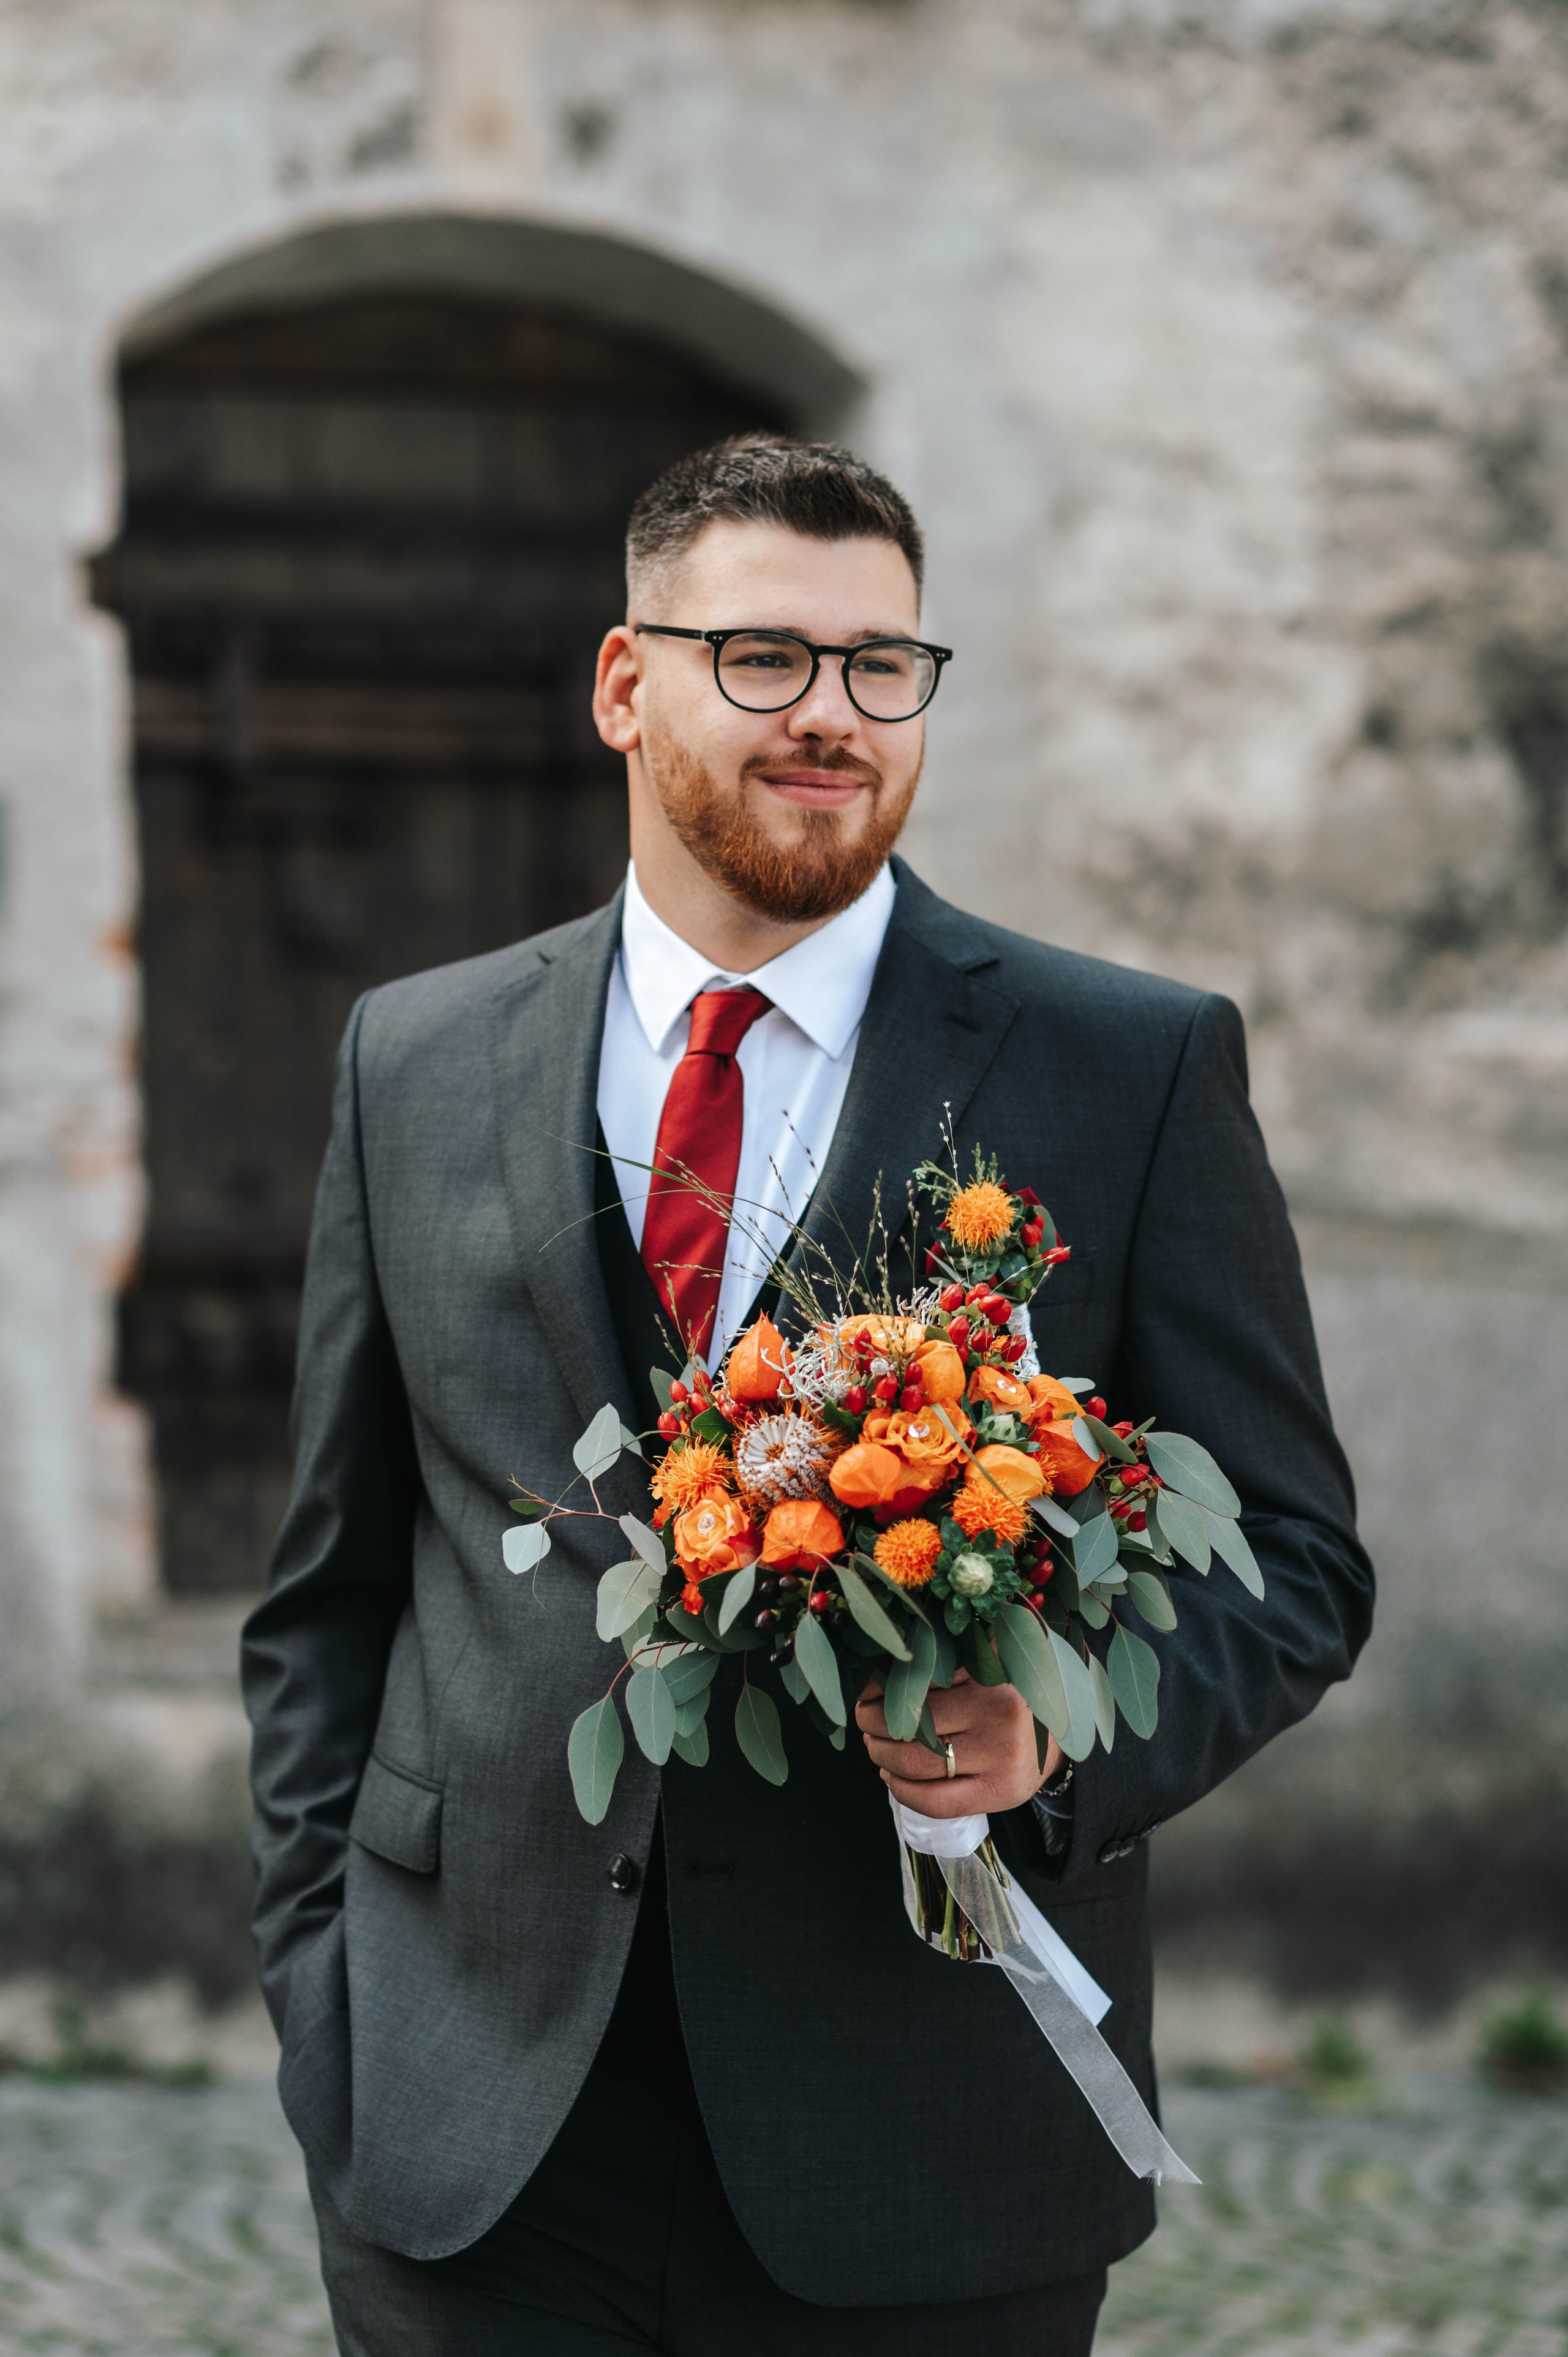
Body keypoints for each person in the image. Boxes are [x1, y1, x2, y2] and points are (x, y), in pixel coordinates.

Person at [243, 435, 1373, 2355]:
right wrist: (331, 2000)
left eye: (881, 667)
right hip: (475, 2131)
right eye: (763, 658)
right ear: (627, 683)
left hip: (925, 2133)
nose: (832, 718)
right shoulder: (411, 1058)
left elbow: (1297, 1563)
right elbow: (336, 1587)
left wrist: (1063, 1742)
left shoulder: (1131, 1067)